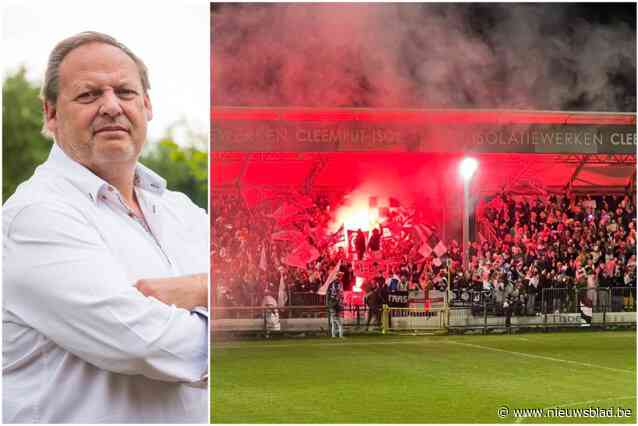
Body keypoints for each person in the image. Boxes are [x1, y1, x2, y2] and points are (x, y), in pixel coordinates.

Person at [3, 32, 208, 423]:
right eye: (88, 95)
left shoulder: (182, 211)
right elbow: (144, 344)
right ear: (50, 113)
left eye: (125, 92)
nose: (111, 106)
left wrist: (199, 289)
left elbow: (254, 291)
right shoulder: (36, 217)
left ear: (146, 105)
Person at [326, 271, 345, 338]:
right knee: (338, 322)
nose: (341, 277)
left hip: (334, 303)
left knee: (334, 322)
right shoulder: (336, 284)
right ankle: (340, 335)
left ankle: (334, 335)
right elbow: (338, 293)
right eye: (340, 276)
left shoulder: (333, 284)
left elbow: (329, 294)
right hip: (334, 304)